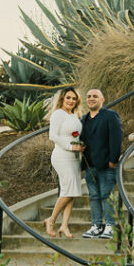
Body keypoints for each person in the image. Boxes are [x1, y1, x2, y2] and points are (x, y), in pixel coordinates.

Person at [80, 88, 123, 239]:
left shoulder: (110, 116)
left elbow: (116, 138)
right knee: (94, 196)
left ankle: (110, 225)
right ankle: (96, 225)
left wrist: (113, 160)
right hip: (89, 166)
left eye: (95, 96)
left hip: (106, 165)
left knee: (107, 195)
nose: (91, 98)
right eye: (89, 96)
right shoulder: (84, 119)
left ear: (102, 100)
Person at [44, 87, 83, 238]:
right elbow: (53, 136)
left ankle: (65, 225)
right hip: (62, 156)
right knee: (69, 190)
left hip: (74, 158)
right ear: (62, 98)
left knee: (71, 191)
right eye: (68, 98)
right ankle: (51, 220)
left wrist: (80, 146)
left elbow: (76, 135)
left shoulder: (73, 115)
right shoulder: (58, 114)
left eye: (74, 99)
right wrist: (70, 146)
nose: (71, 101)